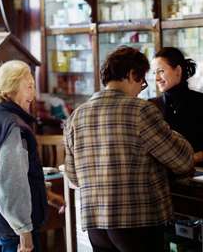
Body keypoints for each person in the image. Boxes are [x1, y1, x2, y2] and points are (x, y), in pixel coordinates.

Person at [64, 46, 194, 252]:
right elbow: (182, 160)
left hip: (96, 225)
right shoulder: (140, 111)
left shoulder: (77, 115)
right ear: (132, 74)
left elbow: (73, 177)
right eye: (141, 83)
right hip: (138, 222)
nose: (140, 89)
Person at [0, 60, 61, 252]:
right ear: (11, 88)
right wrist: (24, 232)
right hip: (13, 232)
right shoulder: (12, 126)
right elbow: (11, 185)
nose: (32, 95)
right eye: (29, 87)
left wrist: (46, 195)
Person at [151, 47, 203, 166]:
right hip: (164, 178)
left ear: (178, 70)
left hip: (199, 175)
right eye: (154, 73)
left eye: (161, 71)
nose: (157, 78)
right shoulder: (152, 106)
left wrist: (201, 155)